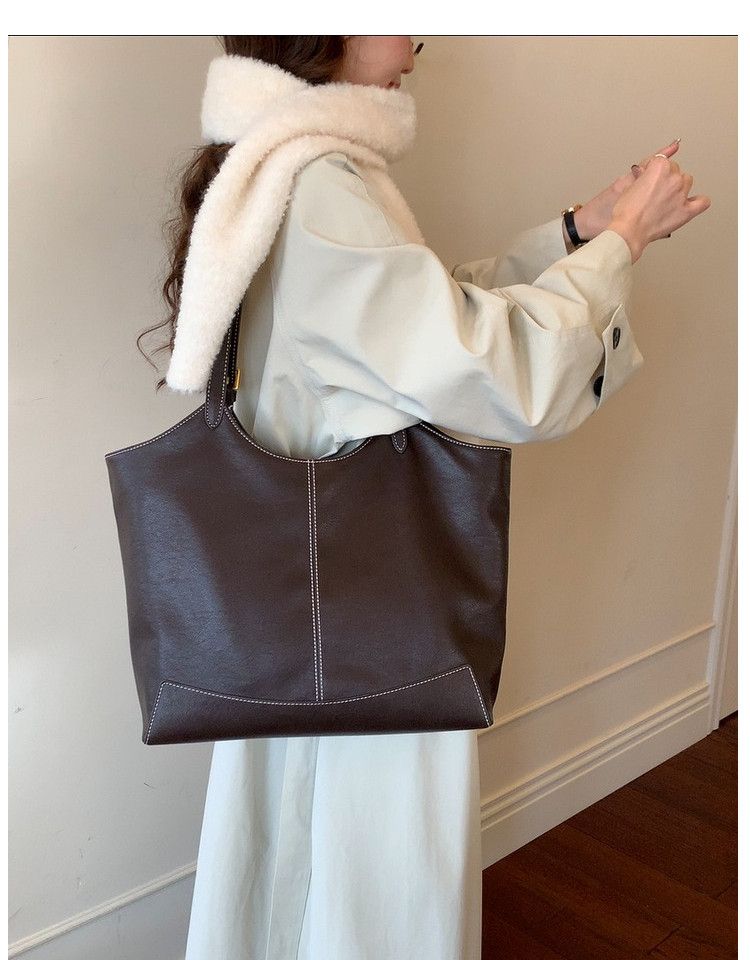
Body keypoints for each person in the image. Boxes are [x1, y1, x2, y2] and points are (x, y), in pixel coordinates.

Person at [149, 35, 709, 960]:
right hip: (369, 607)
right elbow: (496, 372)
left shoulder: (282, 155)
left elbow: (420, 318)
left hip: (303, 597)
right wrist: (620, 245)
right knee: (374, 864)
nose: (418, 38)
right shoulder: (322, 180)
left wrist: (574, 234)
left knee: (295, 857)